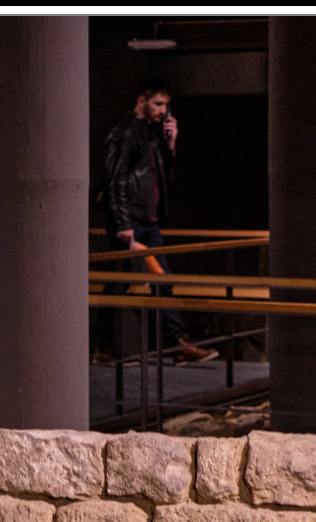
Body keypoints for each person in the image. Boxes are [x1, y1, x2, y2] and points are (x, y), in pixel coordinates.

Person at [96, 79, 217, 366]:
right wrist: (124, 224)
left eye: (166, 105)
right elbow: (118, 181)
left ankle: (174, 344)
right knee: (120, 284)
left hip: (148, 221)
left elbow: (163, 177)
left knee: (157, 281)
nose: (163, 110)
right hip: (130, 222)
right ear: (142, 101)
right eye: (158, 104)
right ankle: (107, 345)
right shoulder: (124, 134)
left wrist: (170, 143)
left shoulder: (152, 134)